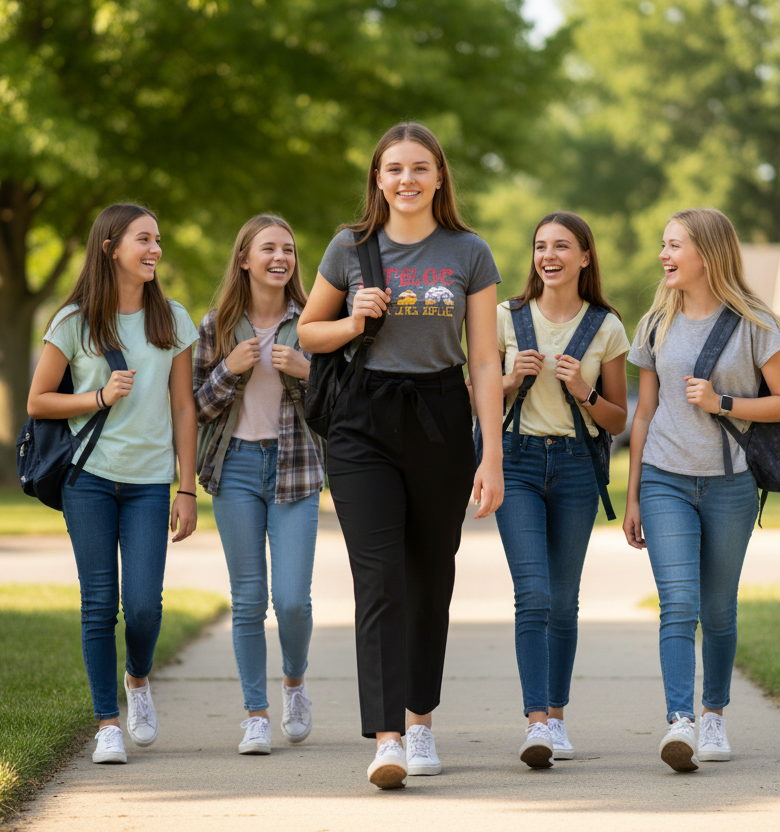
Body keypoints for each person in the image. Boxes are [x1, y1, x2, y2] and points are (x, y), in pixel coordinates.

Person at [297, 122, 505, 790]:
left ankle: (420, 723)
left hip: (440, 414)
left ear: (439, 177)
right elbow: (308, 332)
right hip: (362, 421)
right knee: (379, 577)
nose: (407, 179)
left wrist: (492, 455)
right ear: (378, 179)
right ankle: (387, 738)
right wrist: (353, 320)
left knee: (430, 577)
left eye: (420, 168)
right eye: (394, 169)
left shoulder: (469, 252)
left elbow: (483, 360)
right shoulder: (349, 247)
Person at [623, 208, 780, 772]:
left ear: (708, 252)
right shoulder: (655, 322)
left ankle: (714, 714)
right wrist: (633, 495)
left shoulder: (755, 324)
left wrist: (723, 402)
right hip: (664, 479)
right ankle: (681, 721)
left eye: (674, 245)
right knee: (679, 603)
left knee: (719, 609)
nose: (663, 255)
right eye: (664, 244)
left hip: (730, 484)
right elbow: (643, 414)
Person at [27, 203, 200, 765]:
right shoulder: (73, 322)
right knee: (98, 604)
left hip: (150, 482)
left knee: (144, 606)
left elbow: (184, 406)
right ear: (111, 248)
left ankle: (138, 679)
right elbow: (37, 401)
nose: (155, 249)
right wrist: (98, 397)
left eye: (157, 239)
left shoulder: (172, 319)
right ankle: (107, 723)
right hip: (90, 479)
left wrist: (187, 488)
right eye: (143, 239)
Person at [492, 212, 629, 768]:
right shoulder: (506, 317)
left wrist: (584, 391)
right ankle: (536, 724)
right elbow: (473, 395)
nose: (549, 256)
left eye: (562, 246)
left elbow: (617, 418)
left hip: (576, 467)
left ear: (585, 257)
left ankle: (557, 716)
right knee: (533, 594)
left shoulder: (606, 326)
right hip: (517, 463)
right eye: (540, 246)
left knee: (564, 600)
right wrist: (508, 381)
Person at [193, 215, 323, 756]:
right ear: (244, 259)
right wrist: (228, 369)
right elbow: (194, 408)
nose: (280, 258)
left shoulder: (314, 321)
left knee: (291, 601)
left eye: (288, 249)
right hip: (236, 468)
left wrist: (309, 372)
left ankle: (294, 683)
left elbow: (344, 400)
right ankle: (256, 714)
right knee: (248, 601)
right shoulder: (216, 327)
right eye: (268, 248)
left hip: (296, 467)